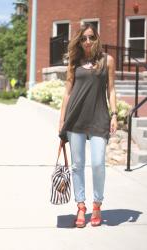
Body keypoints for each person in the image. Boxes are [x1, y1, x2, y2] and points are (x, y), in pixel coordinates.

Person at [59, 23, 118, 228]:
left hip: (99, 117)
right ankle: (81, 206)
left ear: (97, 38)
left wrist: (114, 115)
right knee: (76, 165)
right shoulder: (74, 62)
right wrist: (61, 123)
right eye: (83, 38)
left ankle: (97, 204)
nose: (87, 41)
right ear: (79, 40)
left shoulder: (107, 61)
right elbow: (67, 93)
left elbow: (111, 90)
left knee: (97, 163)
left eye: (91, 37)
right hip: (75, 119)